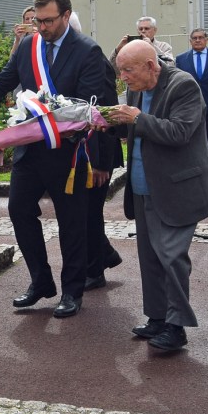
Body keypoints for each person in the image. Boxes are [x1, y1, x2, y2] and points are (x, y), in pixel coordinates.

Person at [0, 0, 108, 319]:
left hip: (68, 154)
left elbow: (90, 107)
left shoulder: (87, 51)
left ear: (66, 15)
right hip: (30, 152)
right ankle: (40, 281)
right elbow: (4, 79)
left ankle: (72, 291)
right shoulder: (29, 46)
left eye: (48, 21)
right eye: (38, 21)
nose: (42, 27)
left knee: (72, 223)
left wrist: (56, 118)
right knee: (18, 209)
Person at [106, 40, 208, 352]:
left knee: (172, 257)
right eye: (120, 71)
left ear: (150, 66)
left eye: (128, 70)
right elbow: (134, 129)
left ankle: (177, 326)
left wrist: (136, 119)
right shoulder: (136, 88)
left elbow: (179, 132)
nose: (123, 77)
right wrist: (107, 123)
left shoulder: (183, 85)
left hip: (177, 188)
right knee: (150, 257)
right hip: (143, 188)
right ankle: (157, 317)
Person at [83, 54, 123, 290]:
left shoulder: (93, 59)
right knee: (81, 212)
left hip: (96, 153)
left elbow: (107, 113)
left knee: (90, 213)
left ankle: (94, 271)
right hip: (75, 153)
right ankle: (105, 253)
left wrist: (100, 162)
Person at [175, 29, 208, 153]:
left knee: (206, 135)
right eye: (195, 38)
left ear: (206, 40)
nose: (198, 40)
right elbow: (178, 83)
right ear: (190, 41)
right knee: (189, 136)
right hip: (188, 104)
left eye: (201, 37)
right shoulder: (181, 59)